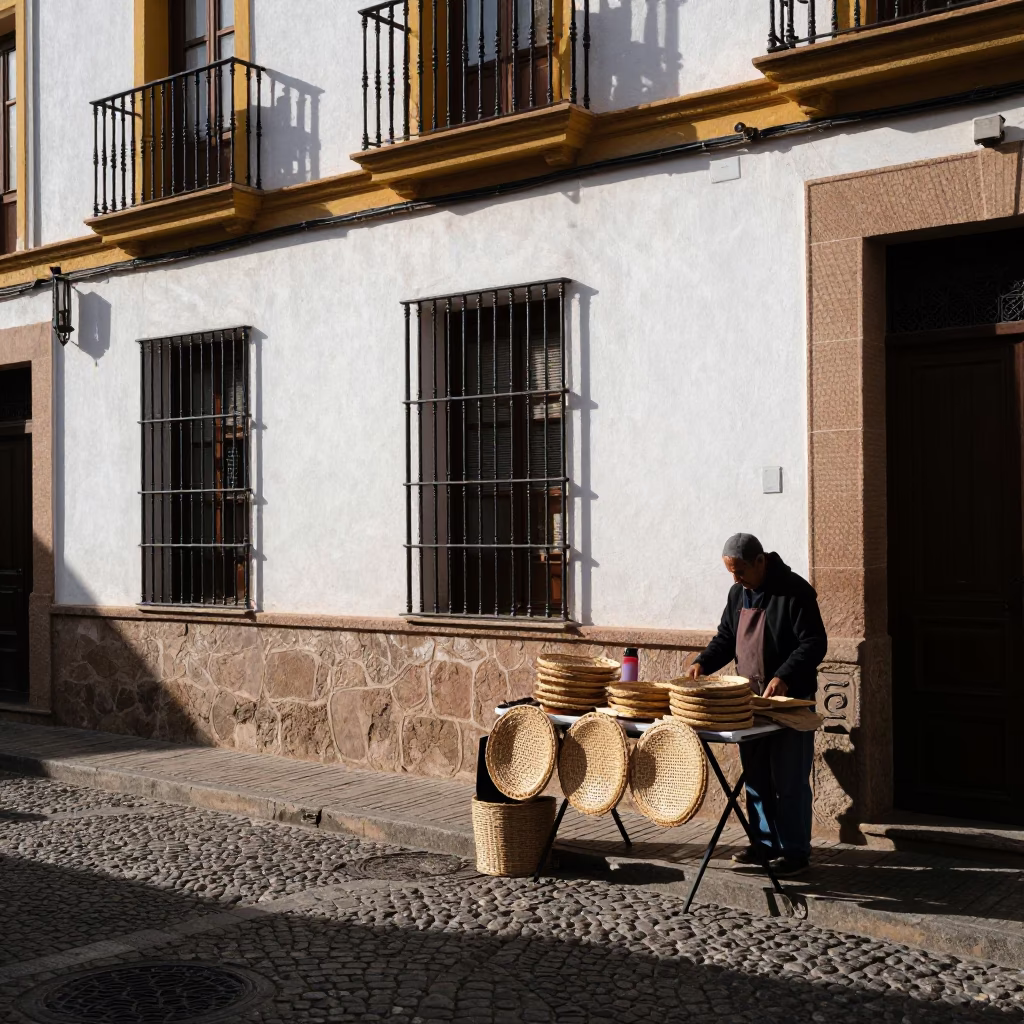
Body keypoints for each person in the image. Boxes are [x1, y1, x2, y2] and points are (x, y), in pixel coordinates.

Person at [685, 533, 827, 875]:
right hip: (749, 702)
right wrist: (703, 662)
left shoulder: (796, 592)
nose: (736, 579)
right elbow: (725, 637)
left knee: (789, 779)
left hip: (790, 703)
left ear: (760, 561)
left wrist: (785, 675)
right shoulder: (738, 593)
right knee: (757, 778)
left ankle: (795, 853)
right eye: (731, 573)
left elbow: (814, 642)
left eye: (740, 571)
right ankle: (763, 844)